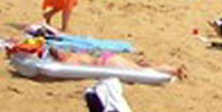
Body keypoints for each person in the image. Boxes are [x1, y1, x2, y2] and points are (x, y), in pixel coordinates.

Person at [50, 47, 187, 80]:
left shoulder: (69, 61)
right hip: (107, 59)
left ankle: (173, 70)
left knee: (141, 72)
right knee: (140, 69)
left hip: (108, 63)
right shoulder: (75, 54)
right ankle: (171, 69)